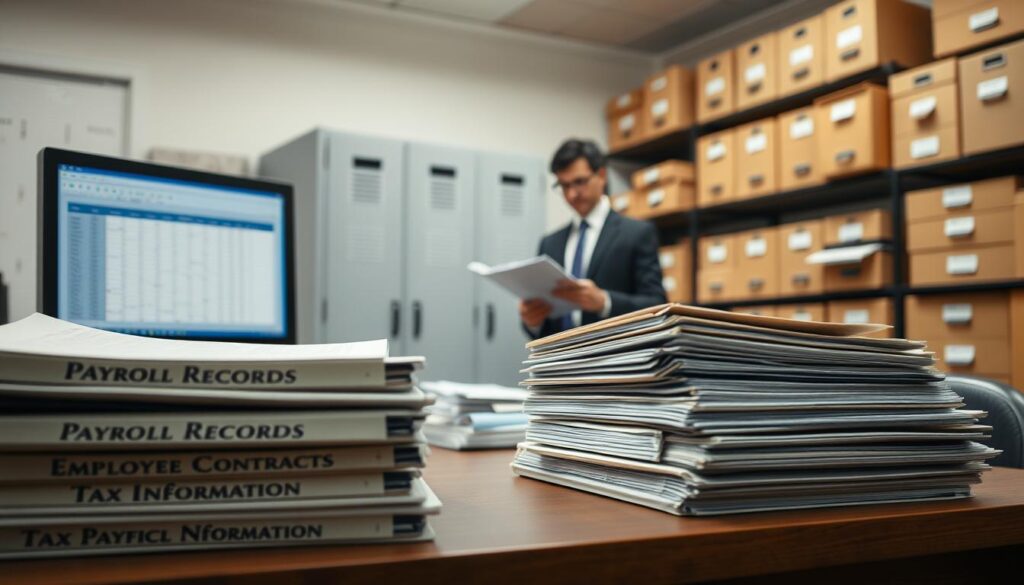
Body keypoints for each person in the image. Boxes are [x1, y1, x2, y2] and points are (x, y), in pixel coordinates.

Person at [520, 138, 666, 339]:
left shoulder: (637, 233)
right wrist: (532, 321)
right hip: (559, 364)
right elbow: (544, 327)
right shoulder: (550, 243)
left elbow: (657, 305)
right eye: (563, 185)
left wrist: (604, 302)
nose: (572, 194)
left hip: (615, 361)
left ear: (602, 175)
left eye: (579, 182)